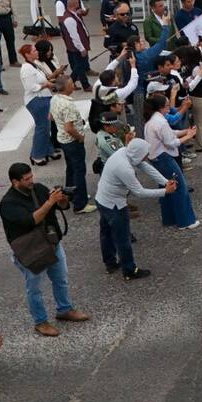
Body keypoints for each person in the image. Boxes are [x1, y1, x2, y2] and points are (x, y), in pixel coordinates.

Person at [0, 163, 91, 337]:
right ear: (14, 182)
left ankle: (64, 309)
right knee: (34, 288)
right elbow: (32, 220)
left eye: (31, 177)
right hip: (30, 251)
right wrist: (50, 202)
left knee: (61, 278)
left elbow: (61, 207)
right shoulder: (8, 204)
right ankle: (40, 322)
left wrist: (62, 199)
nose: (31, 181)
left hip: (51, 243)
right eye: (26, 179)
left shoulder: (38, 189)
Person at [96, 138, 176, 279]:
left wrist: (165, 181)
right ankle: (129, 270)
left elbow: (146, 167)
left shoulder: (124, 152)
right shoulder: (124, 168)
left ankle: (110, 263)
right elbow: (139, 192)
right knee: (123, 238)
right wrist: (165, 192)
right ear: (138, 153)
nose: (147, 156)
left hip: (102, 199)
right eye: (145, 153)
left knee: (106, 233)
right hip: (115, 205)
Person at [143, 93, 199, 229]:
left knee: (165, 189)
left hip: (155, 158)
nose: (169, 108)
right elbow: (171, 142)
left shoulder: (152, 120)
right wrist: (189, 135)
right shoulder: (161, 122)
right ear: (161, 107)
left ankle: (170, 219)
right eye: (167, 105)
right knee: (179, 187)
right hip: (164, 158)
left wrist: (185, 131)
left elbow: (170, 133)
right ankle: (186, 221)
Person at [50, 77, 95, 213]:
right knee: (79, 171)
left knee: (70, 168)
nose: (73, 86)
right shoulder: (68, 104)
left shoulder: (54, 99)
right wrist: (80, 137)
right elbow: (69, 128)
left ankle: (70, 193)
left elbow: (50, 117)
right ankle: (80, 203)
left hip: (62, 140)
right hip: (72, 141)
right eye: (70, 84)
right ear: (65, 87)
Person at [20, 42, 65, 165]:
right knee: (42, 127)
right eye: (34, 51)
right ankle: (37, 155)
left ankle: (48, 150)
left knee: (47, 127)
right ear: (27, 54)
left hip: (44, 97)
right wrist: (47, 84)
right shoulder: (26, 68)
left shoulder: (34, 65)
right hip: (36, 100)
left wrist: (51, 80)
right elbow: (31, 87)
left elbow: (43, 79)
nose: (37, 52)